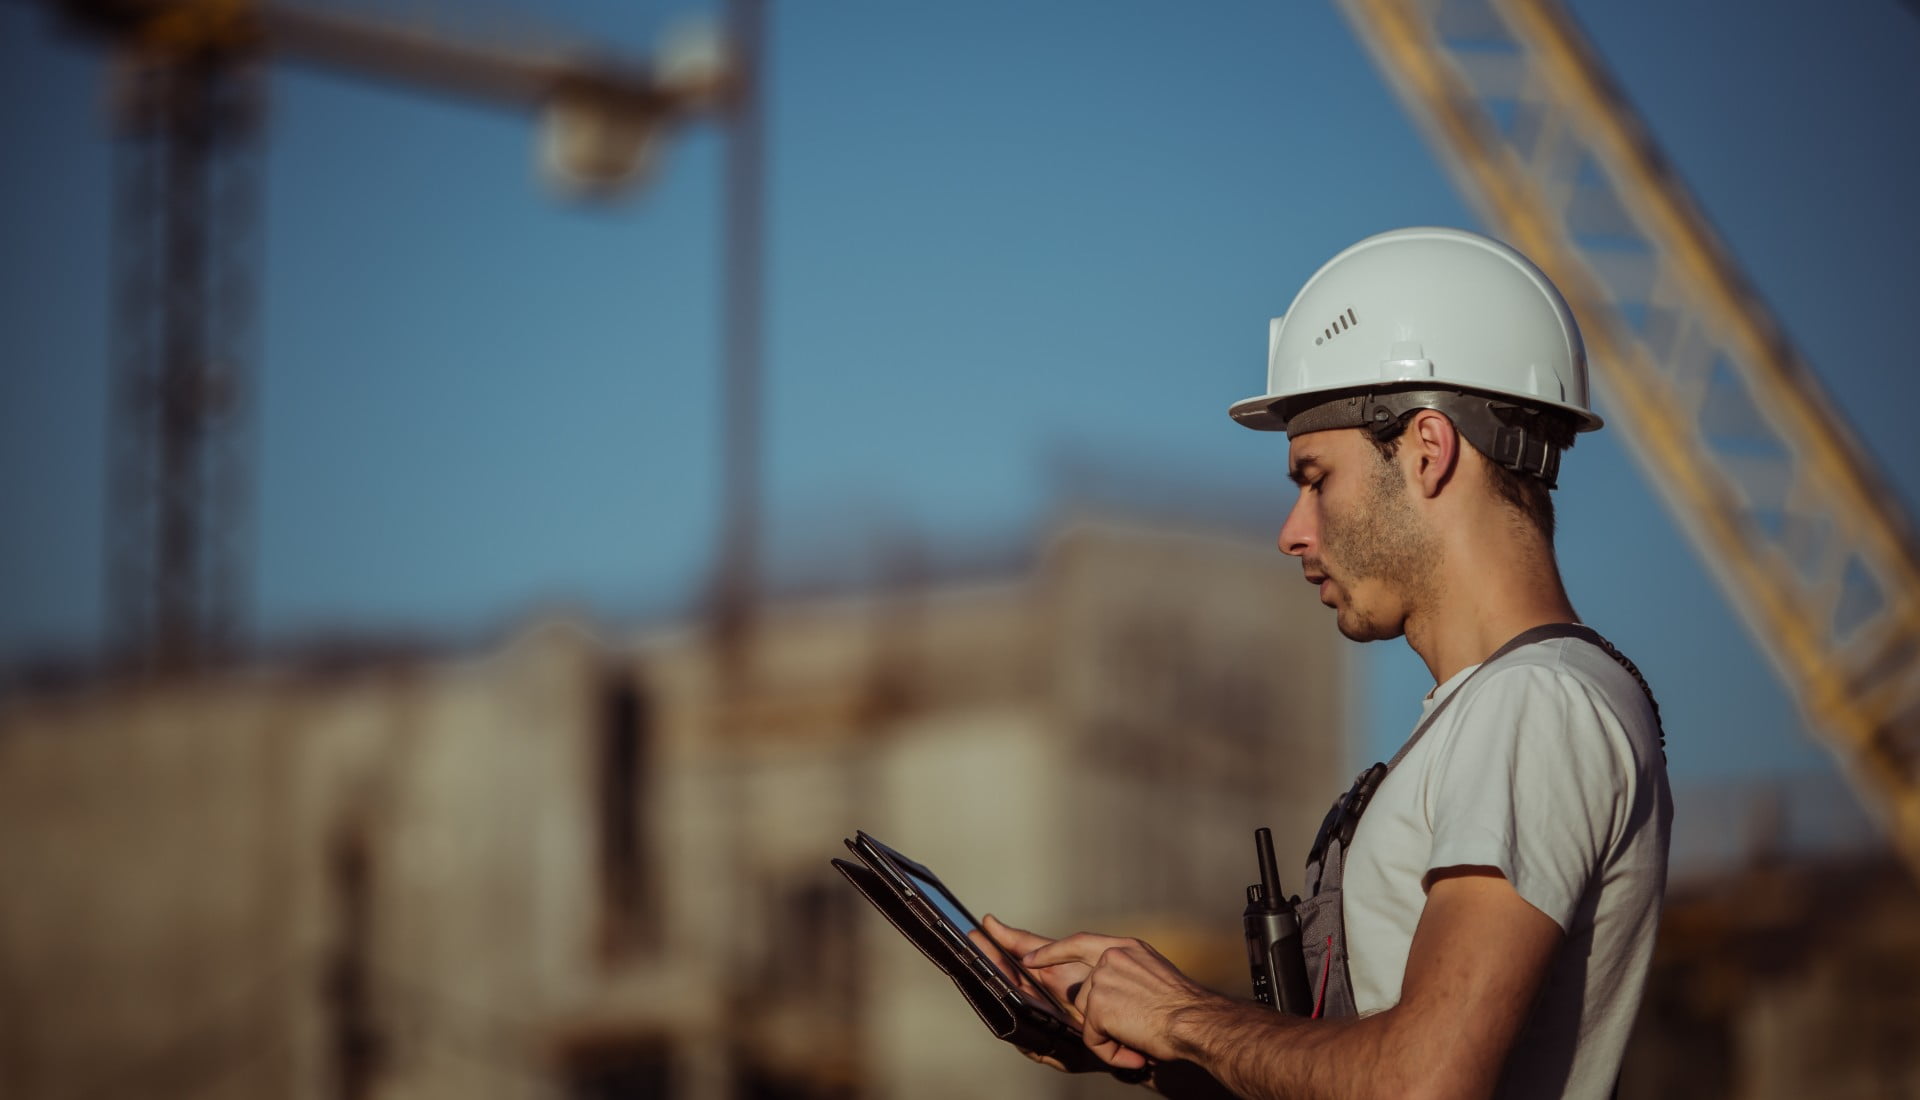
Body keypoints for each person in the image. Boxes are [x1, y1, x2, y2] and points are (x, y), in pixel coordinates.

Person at [986, 227, 1673, 1100]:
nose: (1293, 531)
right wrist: (1172, 1052)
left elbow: (1423, 1082)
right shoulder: (1501, 712)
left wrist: (1185, 1015)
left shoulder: (1537, 704)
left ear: (1428, 450)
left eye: (1316, 477)